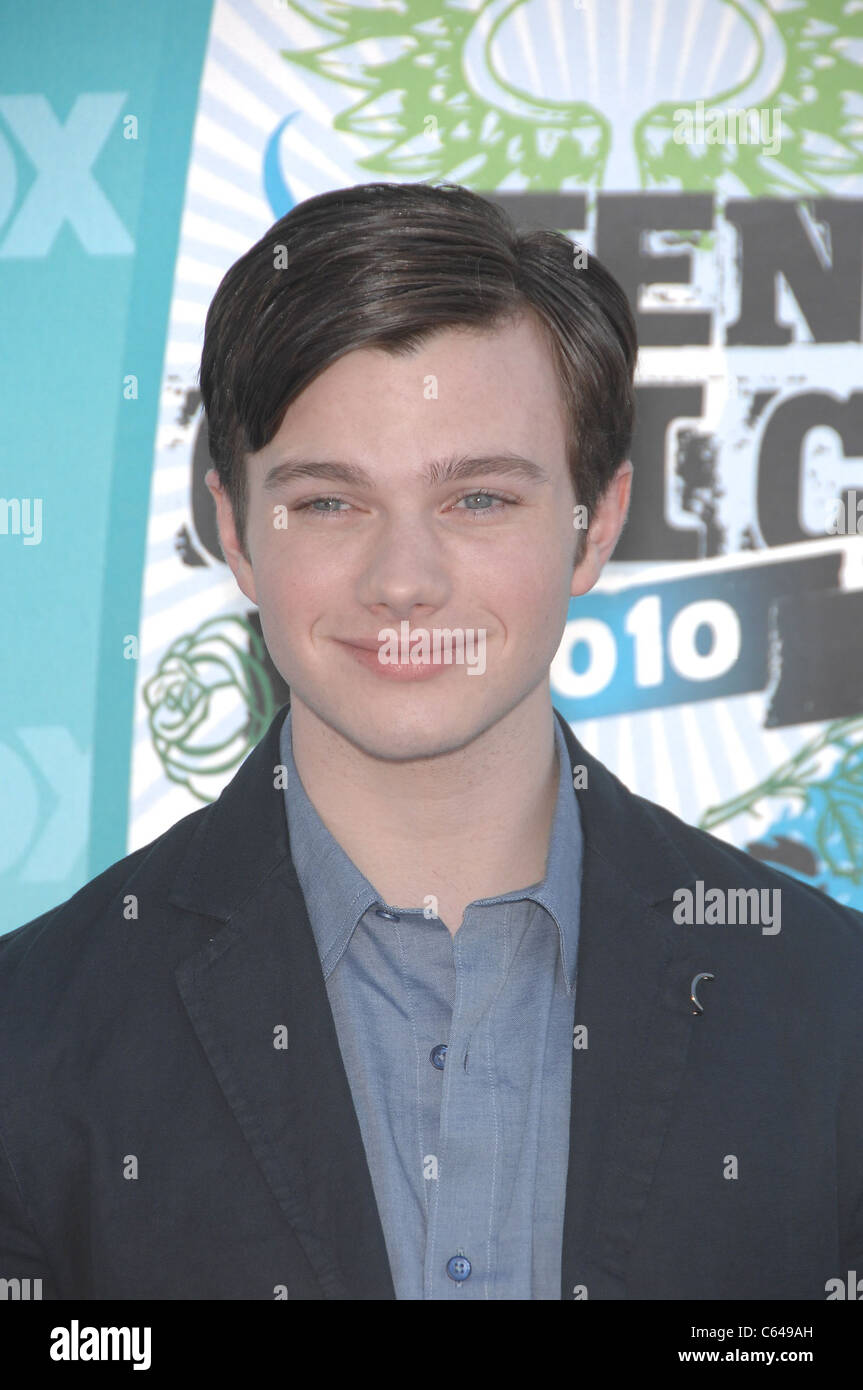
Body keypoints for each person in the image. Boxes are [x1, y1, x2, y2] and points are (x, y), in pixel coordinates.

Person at [1, 182, 861, 1301]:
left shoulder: (829, 1009)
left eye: (479, 500)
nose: (402, 581)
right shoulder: (32, 1038)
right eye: (326, 502)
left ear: (592, 524)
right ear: (234, 532)